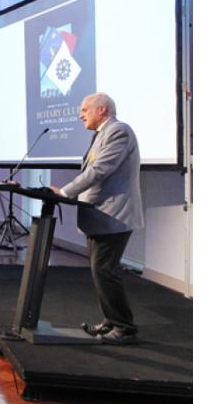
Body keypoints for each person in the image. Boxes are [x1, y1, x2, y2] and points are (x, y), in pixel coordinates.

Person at [51, 93, 144, 345]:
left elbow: (100, 169)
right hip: (100, 216)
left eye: (84, 110)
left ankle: (124, 328)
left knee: (104, 270)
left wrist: (66, 191)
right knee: (100, 270)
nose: (80, 115)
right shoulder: (102, 134)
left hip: (113, 214)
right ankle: (111, 321)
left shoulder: (119, 131)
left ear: (101, 110)